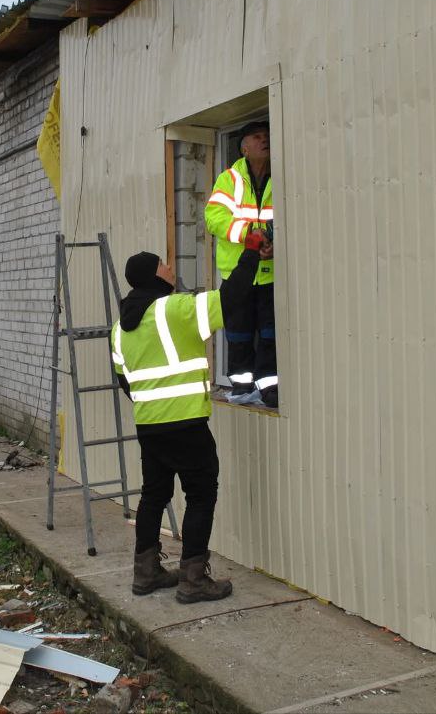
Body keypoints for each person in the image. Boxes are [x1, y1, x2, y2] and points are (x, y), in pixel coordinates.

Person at [112, 231, 271, 603]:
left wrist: (154, 405)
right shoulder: (176, 309)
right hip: (185, 424)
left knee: (153, 494)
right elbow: (230, 300)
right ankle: (194, 580)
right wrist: (250, 253)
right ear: (155, 275)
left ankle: (146, 573)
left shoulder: (120, 328)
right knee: (201, 494)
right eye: (164, 265)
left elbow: (124, 381)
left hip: (149, 425)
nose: (171, 268)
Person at [203, 119, 277, 407]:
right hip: (238, 274)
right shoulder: (230, 179)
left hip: (269, 272)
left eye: (266, 135)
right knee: (238, 333)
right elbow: (214, 219)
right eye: (257, 137)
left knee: (270, 334)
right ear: (244, 148)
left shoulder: (280, 175)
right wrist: (250, 234)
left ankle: (270, 390)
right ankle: (242, 388)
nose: (264, 139)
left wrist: (273, 245)